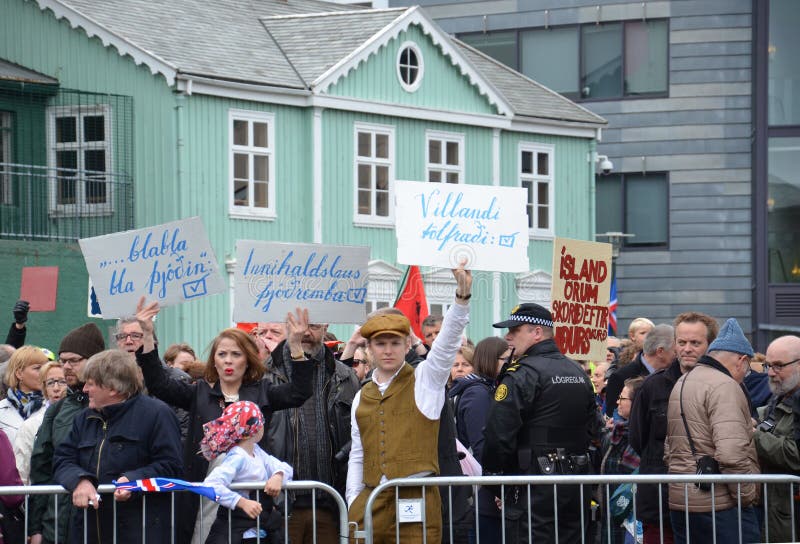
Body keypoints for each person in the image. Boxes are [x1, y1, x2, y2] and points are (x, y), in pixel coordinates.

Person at [134, 299, 312, 544]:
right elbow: (158, 383)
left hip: (249, 502)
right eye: (222, 354)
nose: (228, 360)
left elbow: (300, 392)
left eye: (236, 354)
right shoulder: (199, 393)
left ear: (247, 360)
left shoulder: (263, 392)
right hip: (208, 493)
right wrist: (146, 333)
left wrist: (296, 345)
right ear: (214, 360)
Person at [347, 261, 471, 543]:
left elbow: (446, 344)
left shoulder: (425, 379)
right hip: (371, 502)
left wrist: (462, 298)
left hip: (418, 501)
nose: (388, 350)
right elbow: (358, 455)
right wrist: (353, 500)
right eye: (380, 344)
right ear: (369, 349)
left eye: (395, 343)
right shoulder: (361, 395)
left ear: (407, 345)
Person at [482, 303, 596, 543]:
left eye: (515, 330)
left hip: (532, 484)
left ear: (537, 332)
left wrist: (496, 481)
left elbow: (498, 434)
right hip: (575, 481)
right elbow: (593, 426)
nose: (508, 336)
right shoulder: (577, 371)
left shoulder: (522, 373)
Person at [52, 349, 183, 544]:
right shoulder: (83, 419)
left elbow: (172, 466)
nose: (85, 389)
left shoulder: (157, 415)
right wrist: (79, 480)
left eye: (91, 384)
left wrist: (133, 480)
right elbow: (62, 459)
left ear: (113, 388)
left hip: (140, 531)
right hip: (88, 531)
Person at [664, 318, 760, 543]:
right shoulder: (725, 385)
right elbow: (731, 454)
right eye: (747, 369)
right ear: (741, 360)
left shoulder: (683, 381)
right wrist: (748, 496)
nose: (744, 375)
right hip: (720, 505)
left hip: (682, 500)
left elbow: (669, 448)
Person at [264, 318, 359, 544]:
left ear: (326, 327)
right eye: (299, 326)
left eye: (314, 326)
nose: (305, 332)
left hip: (330, 503)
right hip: (281, 504)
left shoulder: (345, 376)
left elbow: (356, 435)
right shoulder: (264, 374)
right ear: (287, 326)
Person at [628, 312, 717, 544]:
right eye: (682, 342)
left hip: (708, 501)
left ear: (709, 345)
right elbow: (637, 438)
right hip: (661, 502)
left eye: (695, 343)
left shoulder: (723, 385)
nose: (687, 349)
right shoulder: (652, 386)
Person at [28, 322, 106, 544]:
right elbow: (41, 468)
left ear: (94, 360)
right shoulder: (57, 410)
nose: (66, 367)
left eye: (74, 360)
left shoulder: (111, 405)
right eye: (63, 361)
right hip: (56, 524)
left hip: (99, 521)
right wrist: (35, 528)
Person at [202, 401, 293, 544]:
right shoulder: (237, 456)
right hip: (240, 534)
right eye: (261, 422)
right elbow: (210, 485)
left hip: (261, 531)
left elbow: (285, 467)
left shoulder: (257, 451)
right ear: (255, 428)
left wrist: (278, 475)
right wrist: (241, 502)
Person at [448, 335, 509, 543]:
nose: (510, 363)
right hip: (484, 492)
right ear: (491, 360)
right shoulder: (478, 394)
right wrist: (498, 488)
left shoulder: (484, 389)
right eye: (505, 359)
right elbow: (482, 445)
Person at [753, 335, 800, 542]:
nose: (771, 373)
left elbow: (796, 454)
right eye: (768, 365)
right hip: (778, 512)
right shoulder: (780, 398)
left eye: (779, 366)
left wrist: (754, 436)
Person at [599, 376, 643, 544]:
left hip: (630, 518)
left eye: (622, 398)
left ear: (636, 402)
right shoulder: (618, 432)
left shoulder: (640, 436)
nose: (617, 402)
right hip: (613, 512)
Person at [13, 361, 67, 483]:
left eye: (62, 382)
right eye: (50, 383)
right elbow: (22, 474)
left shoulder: (83, 418)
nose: (56, 388)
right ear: (44, 388)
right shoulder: (30, 426)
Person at [605, 323, 673, 419]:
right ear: (660, 351)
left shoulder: (676, 373)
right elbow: (613, 418)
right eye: (674, 351)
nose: (678, 354)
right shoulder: (620, 377)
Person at [0, 345, 48, 444]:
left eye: (46, 368)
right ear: (19, 373)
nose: (45, 373)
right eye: (38, 368)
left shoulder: (54, 407)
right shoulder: (1, 409)